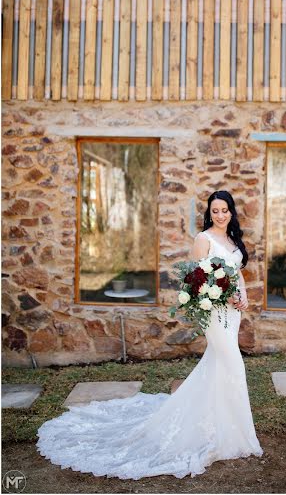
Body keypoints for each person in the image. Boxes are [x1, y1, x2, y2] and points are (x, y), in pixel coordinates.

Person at [36, 190, 263, 480]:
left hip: (233, 312)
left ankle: (219, 425)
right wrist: (221, 297)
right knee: (233, 364)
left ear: (232, 211)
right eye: (215, 210)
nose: (220, 215)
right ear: (209, 213)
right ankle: (235, 435)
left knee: (217, 366)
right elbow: (194, 282)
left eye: (224, 210)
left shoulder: (233, 240)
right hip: (215, 313)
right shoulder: (203, 239)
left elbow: (238, 274)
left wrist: (241, 297)